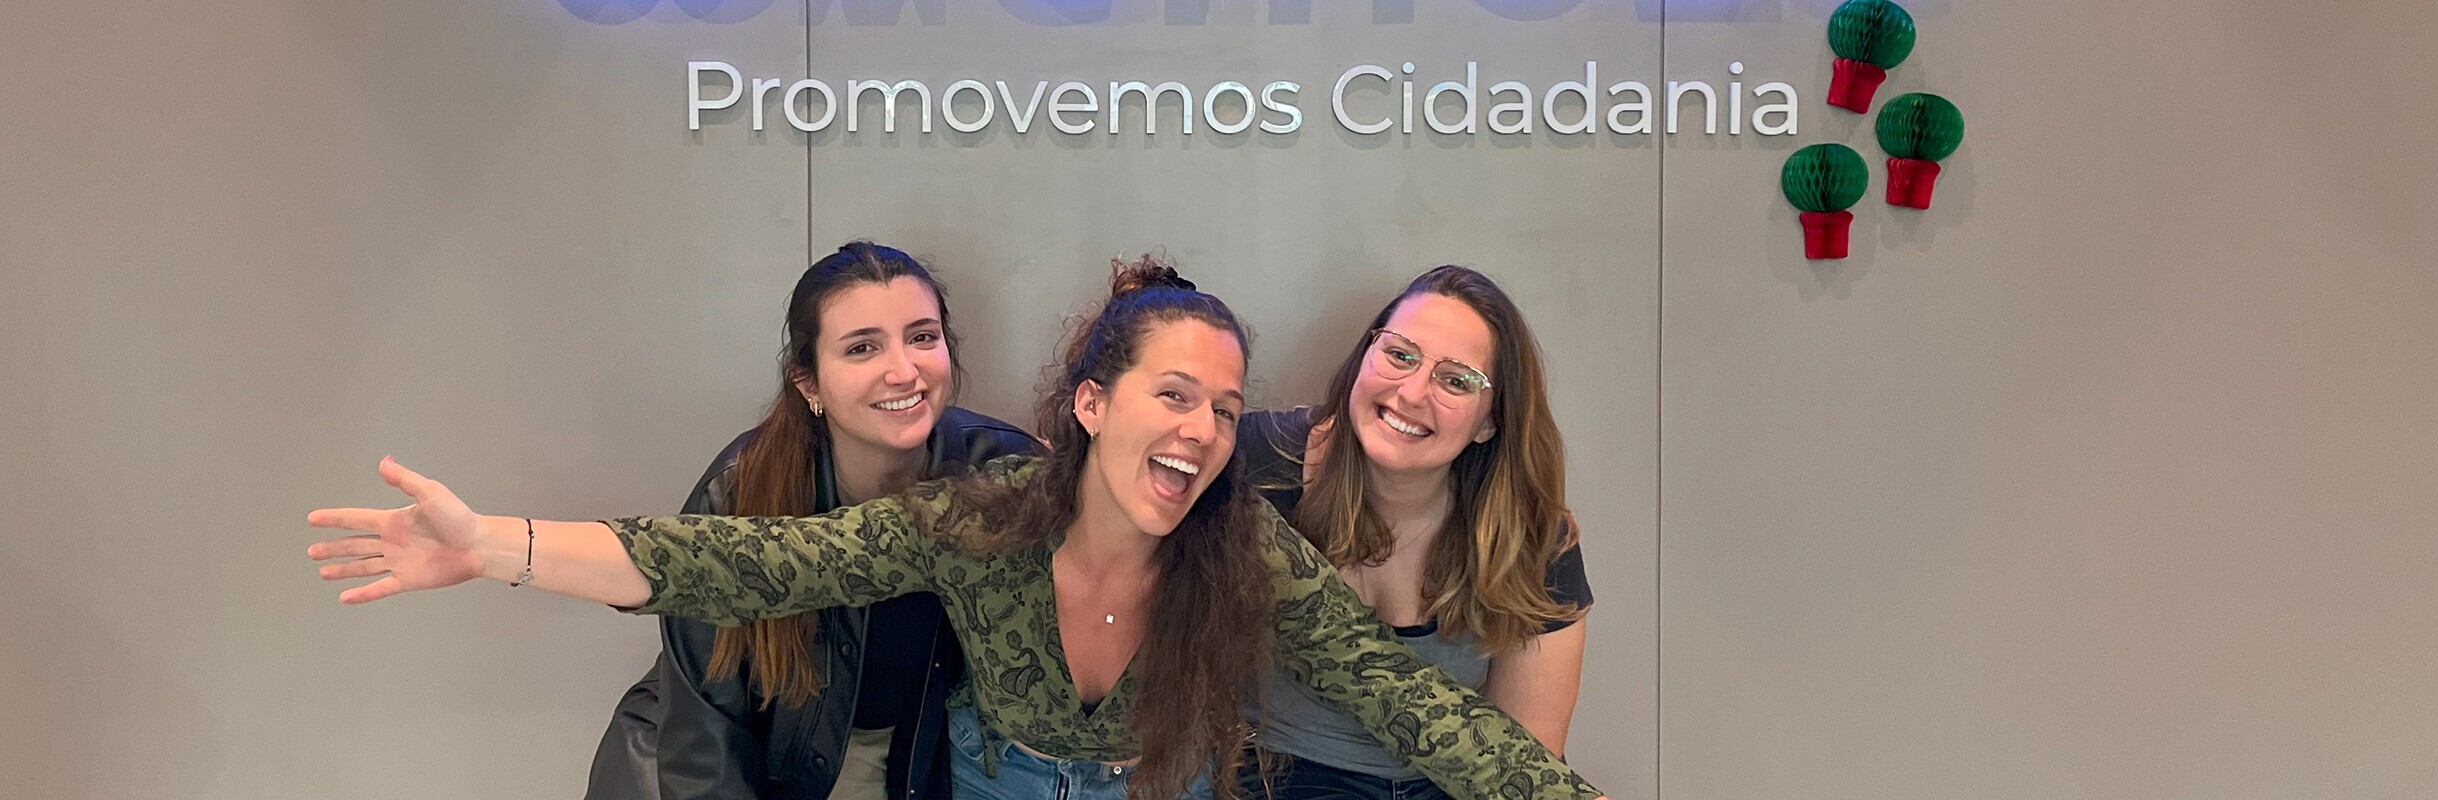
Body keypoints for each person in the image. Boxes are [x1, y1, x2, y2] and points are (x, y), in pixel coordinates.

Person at [307, 258, 1609, 800]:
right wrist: (493, 547)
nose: (1204, 430)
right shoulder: (984, 518)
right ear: (1091, 405)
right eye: (1172, 396)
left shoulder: (1242, 545)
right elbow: (743, 563)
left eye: (1223, 409)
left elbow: (1419, 709)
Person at [584, 241, 1039, 800]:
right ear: (809, 383)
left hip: (894, 766)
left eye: (922, 337)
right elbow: (703, 739)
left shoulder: (1001, 472)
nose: (904, 371)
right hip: (701, 765)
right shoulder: (737, 491)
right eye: (862, 348)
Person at [1233, 266, 1590, 800]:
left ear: (1490, 422)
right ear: (1364, 357)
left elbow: (1521, 763)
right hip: (1275, 776)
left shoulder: (1530, 535)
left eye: (1456, 380)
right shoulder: (1255, 463)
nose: (1412, 392)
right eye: (1400, 354)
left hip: (1446, 786)